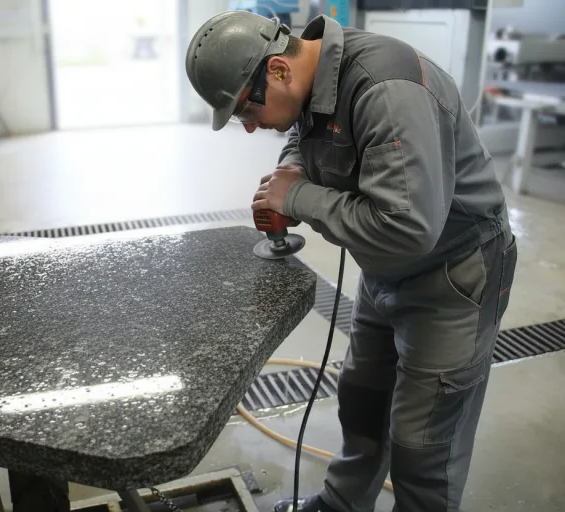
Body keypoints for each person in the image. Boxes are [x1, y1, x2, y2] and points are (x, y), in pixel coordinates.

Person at [185, 12, 518, 512]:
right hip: (384, 269)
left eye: (246, 110)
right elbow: (305, 134)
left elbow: (408, 228)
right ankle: (343, 503)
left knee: (423, 440)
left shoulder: (386, 91)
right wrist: (291, 170)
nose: (250, 126)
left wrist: (299, 197)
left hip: (453, 274)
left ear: (277, 69)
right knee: (363, 398)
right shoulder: (312, 76)